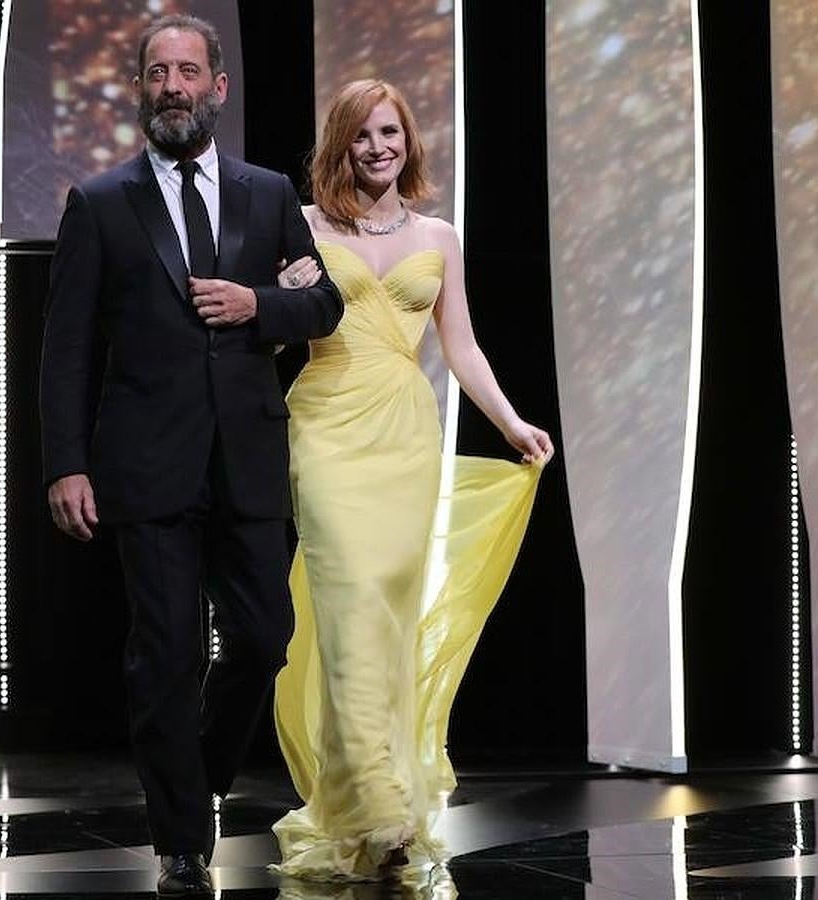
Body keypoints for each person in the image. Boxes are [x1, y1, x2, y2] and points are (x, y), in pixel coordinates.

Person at [38, 15, 342, 897]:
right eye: (157, 72)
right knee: (165, 653)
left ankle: (196, 776)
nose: (172, 85)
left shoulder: (266, 192)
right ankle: (180, 839)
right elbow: (65, 348)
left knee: (264, 637)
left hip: (246, 459)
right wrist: (66, 462)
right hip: (146, 465)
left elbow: (323, 304)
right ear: (141, 90)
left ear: (219, 86)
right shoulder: (99, 202)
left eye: (188, 71)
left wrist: (257, 305)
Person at [270, 79, 555, 882]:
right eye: (361, 135)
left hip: (406, 435)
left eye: (389, 132)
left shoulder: (441, 234)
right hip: (325, 426)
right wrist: (278, 297)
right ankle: (382, 807)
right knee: (352, 600)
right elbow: (268, 324)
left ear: (409, 141)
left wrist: (510, 423)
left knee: (387, 619)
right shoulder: (299, 227)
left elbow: (461, 347)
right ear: (340, 143)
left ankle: (365, 812)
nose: (377, 148)